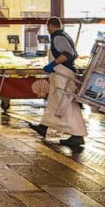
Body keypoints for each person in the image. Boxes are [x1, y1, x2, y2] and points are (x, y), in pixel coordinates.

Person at [28, 17, 87, 147]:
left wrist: (53, 64)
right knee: (54, 102)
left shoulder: (58, 37)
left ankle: (77, 135)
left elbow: (68, 54)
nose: (48, 30)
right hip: (59, 75)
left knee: (65, 104)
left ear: (51, 26)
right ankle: (43, 127)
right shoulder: (64, 35)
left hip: (63, 75)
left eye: (48, 27)